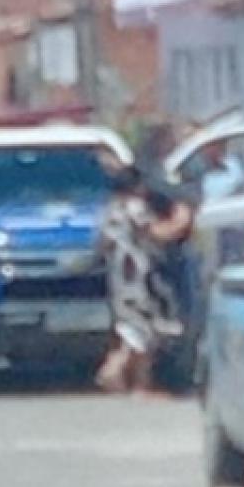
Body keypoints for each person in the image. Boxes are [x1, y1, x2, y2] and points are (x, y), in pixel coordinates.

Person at [96, 166, 193, 396]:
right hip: (138, 278)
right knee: (140, 329)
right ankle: (114, 372)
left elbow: (103, 245)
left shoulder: (109, 211)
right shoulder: (134, 207)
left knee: (134, 328)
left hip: (119, 278)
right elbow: (157, 233)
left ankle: (140, 384)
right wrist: (182, 220)